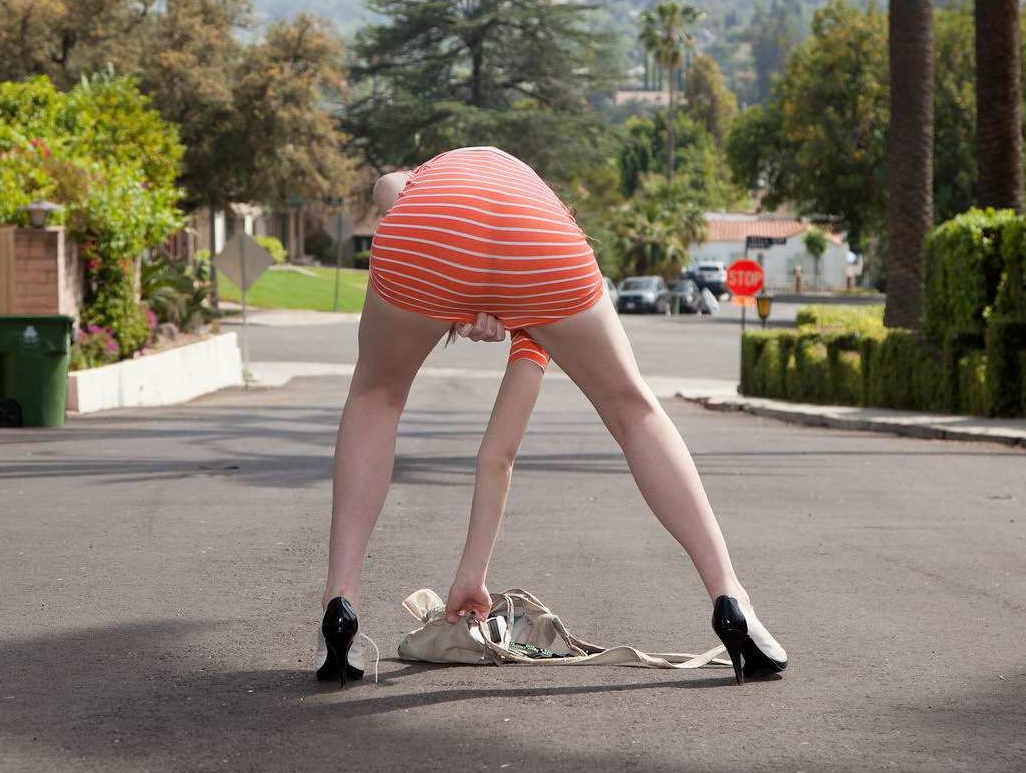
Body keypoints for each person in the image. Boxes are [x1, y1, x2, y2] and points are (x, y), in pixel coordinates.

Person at [317, 146, 785, 687]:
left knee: (376, 397)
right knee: (633, 409)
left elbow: (387, 188)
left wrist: (461, 297)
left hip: (430, 230)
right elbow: (498, 455)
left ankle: (341, 601)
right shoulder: (545, 237)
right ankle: (731, 597)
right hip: (540, 254)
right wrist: (472, 573)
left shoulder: (436, 176)